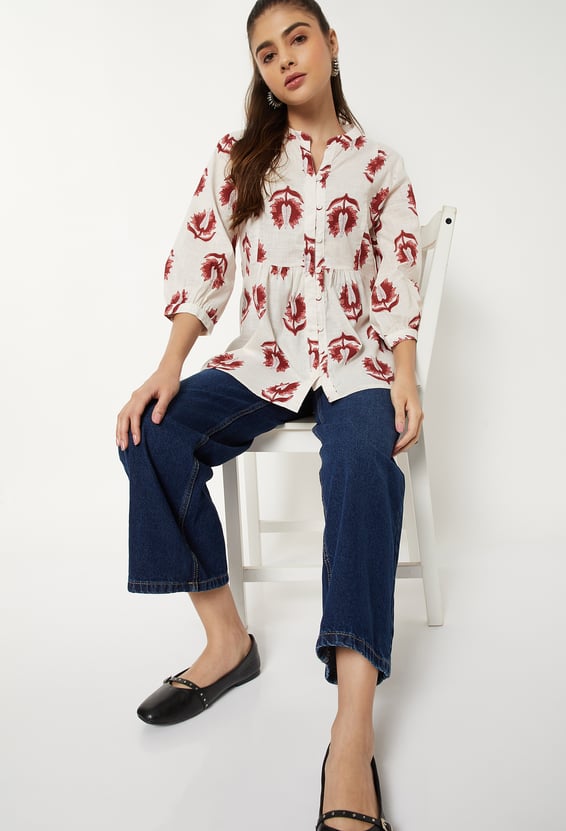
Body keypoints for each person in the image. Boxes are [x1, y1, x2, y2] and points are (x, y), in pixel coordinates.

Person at [116, 2, 423, 829]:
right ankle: (227, 642)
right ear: (258, 71)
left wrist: (404, 374)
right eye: (265, 52)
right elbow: (203, 261)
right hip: (269, 358)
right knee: (151, 431)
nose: (284, 58)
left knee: (361, 462)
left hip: (355, 362)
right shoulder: (239, 156)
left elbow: (396, 274)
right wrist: (169, 365)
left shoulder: (380, 166)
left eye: (297, 38)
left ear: (330, 44)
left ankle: (351, 729)